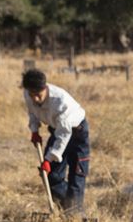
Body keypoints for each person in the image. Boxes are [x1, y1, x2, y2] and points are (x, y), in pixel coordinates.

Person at [21, 68, 89, 214]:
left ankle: (75, 216)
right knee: (50, 175)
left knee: (76, 177)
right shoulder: (28, 94)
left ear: (45, 88)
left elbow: (64, 135)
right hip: (56, 131)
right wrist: (34, 130)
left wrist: (48, 158)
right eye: (32, 95)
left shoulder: (60, 102)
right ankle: (69, 209)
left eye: (38, 95)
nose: (35, 99)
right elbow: (32, 112)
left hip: (76, 133)